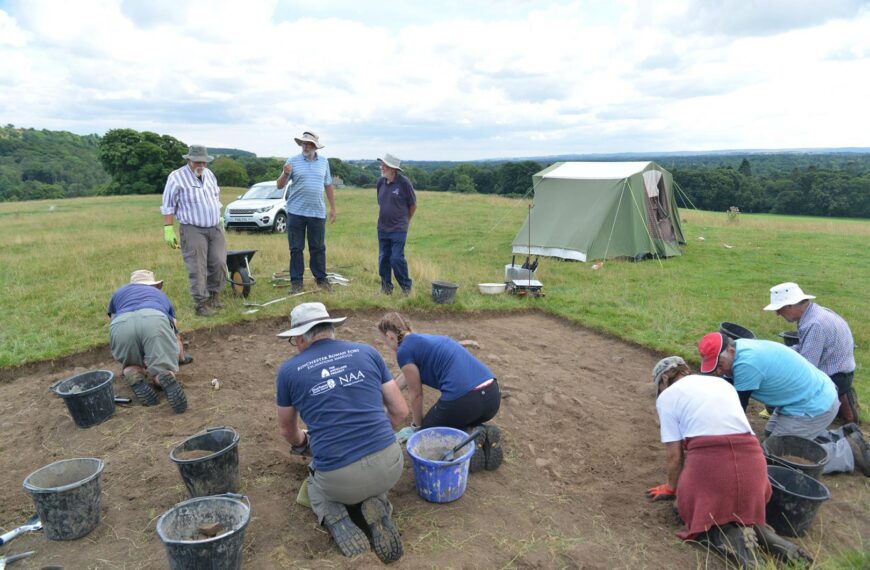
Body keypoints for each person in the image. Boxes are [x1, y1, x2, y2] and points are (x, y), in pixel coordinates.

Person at [648, 357, 811, 568]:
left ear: (663, 380)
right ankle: (762, 534)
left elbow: (675, 456)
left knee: (686, 509)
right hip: (754, 461)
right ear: (686, 370)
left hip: (711, 462)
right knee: (743, 506)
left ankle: (732, 540)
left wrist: (672, 488)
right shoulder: (723, 384)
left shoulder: (667, 397)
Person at [275, 303, 408, 562]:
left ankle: (335, 518)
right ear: (330, 329)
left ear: (301, 337)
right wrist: (371, 430)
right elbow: (400, 412)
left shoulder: (289, 372)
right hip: (390, 465)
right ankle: (377, 503)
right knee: (371, 481)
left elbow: (286, 429)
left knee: (315, 484)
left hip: (339, 479)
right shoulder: (367, 352)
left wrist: (303, 442)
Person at [698, 332, 870, 476]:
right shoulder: (739, 347)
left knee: (779, 457)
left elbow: (737, 411)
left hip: (815, 404)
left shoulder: (746, 364)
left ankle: (849, 450)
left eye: (719, 365)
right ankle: (839, 436)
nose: (719, 372)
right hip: (801, 399)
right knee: (770, 435)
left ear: (730, 350)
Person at [377, 312, 503, 472]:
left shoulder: (403, 351)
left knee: (427, 436)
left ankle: (464, 443)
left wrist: (417, 427)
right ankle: (475, 431)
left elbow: (416, 394)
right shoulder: (426, 341)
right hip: (492, 397)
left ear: (389, 336)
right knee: (454, 417)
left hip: (465, 401)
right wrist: (383, 395)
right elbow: (405, 377)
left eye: (384, 340)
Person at [763, 282, 859, 423]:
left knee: (775, 395)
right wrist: (781, 352)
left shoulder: (814, 324)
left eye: (780, 309)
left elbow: (807, 366)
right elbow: (805, 348)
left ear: (791, 305)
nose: (778, 314)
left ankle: (799, 425)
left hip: (833, 378)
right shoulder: (818, 312)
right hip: (843, 374)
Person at [107, 270, 188, 413]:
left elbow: (113, 319)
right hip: (154, 319)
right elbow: (174, 331)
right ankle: (162, 376)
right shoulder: (159, 295)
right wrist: (179, 357)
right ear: (153, 285)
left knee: (131, 364)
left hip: (121, 324)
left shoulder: (119, 293)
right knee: (163, 367)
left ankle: (133, 371)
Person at [161, 144, 227, 317]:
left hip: (214, 227)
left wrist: (219, 216)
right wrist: (168, 228)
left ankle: (214, 296)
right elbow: (167, 205)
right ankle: (201, 304)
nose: (201, 165)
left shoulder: (210, 175)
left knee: (219, 262)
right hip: (192, 228)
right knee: (197, 266)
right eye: (198, 161)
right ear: (189, 160)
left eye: (204, 162)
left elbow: (215, 197)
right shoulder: (176, 177)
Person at [276, 131, 336, 294]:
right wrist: (285, 173)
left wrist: (333, 208)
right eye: (303, 143)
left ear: (315, 146)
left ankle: (321, 280)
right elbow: (279, 185)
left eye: (309, 144)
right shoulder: (292, 161)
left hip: (317, 212)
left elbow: (328, 185)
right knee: (296, 248)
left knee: (318, 248)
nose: (305, 146)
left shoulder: (324, 162)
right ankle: (296, 283)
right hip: (296, 212)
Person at [376, 153, 417, 295]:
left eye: (384, 165)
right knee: (383, 259)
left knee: (396, 258)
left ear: (393, 168)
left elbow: (413, 205)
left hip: (399, 229)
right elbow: (380, 202)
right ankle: (386, 287)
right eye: (382, 164)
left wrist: (406, 221)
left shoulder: (404, 183)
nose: (382, 167)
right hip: (382, 228)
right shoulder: (380, 182)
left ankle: (406, 287)